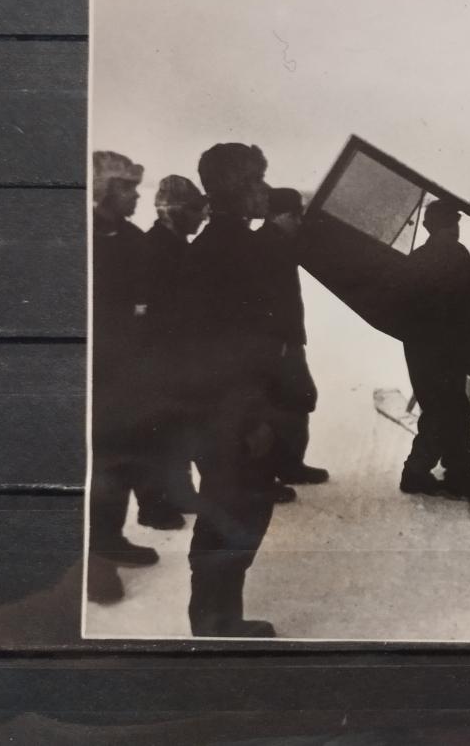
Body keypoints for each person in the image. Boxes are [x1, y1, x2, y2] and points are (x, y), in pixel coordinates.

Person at [178, 143, 283, 638]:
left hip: (212, 408)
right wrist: (255, 416)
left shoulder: (207, 248)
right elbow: (239, 349)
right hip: (234, 410)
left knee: (224, 503)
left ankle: (216, 616)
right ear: (239, 188)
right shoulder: (240, 252)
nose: (264, 190)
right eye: (258, 180)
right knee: (237, 506)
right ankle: (217, 622)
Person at [88, 151, 156, 604]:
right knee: (96, 468)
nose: (135, 196)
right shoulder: (82, 235)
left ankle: (109, 540)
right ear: (107, 190)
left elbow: (147, 299)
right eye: (129, 188)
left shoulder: (132, 237)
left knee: (122, 460)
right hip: (90, 375)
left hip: (129, 372)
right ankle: (93, 566)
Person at [135, 175, 209, 530]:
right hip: (158, 358)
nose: (202, 216)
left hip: (180, 355)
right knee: (156, 431)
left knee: (179, 426)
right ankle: (152, 506)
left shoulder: (176, 245)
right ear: (177, 211)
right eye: (196, 209)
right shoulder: (155, 247)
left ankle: (179, 493)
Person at [398, 199, 470, 502]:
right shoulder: (458, 256)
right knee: (448, 409)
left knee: (442, 407)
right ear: (447, 226)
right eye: (454, 223)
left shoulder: (417, 258)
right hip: (446, 349)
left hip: (421, 348)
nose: (457, 229)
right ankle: (421, 473)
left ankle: (453, 472)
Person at [255, 187, 328, 487]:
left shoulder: (276, 240)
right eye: (295, 215)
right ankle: (274, 472)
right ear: (281, 215)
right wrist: (280, 342)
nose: (299, 222)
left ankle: (289, 466)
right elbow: (265, 301)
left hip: (286, 339)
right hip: (277, 342)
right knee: (281, 403)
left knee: (297, 398)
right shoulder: (268, 244)